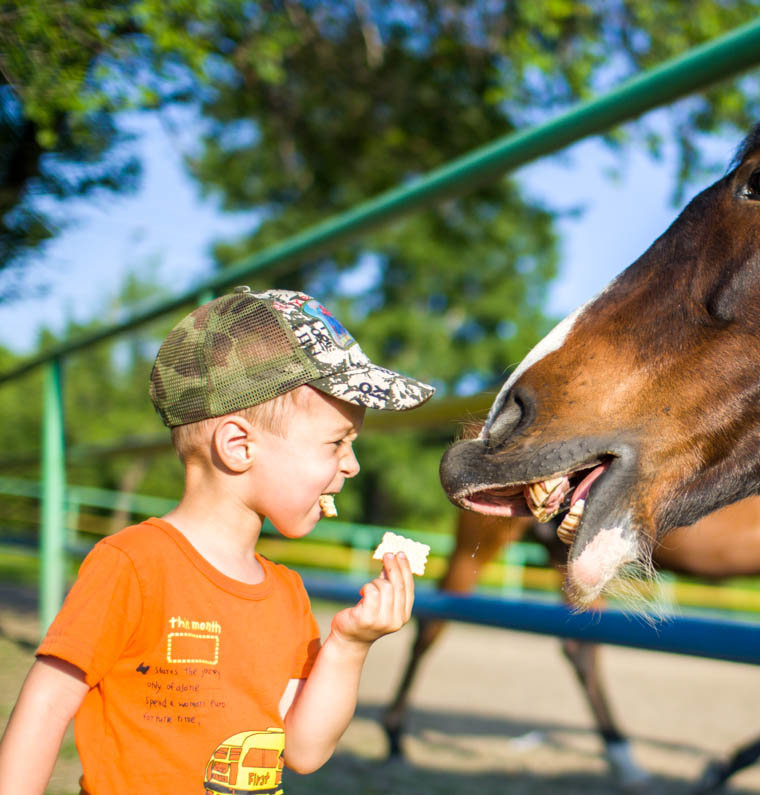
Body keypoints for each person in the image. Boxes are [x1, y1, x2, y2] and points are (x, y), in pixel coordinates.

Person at [0, 287, 435, 793]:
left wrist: (350, 645)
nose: (352, 465)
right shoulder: (133, 565)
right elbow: (45, 708)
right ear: (237, 446)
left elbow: (304, 751)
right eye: (336, 442)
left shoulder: (287, 593)